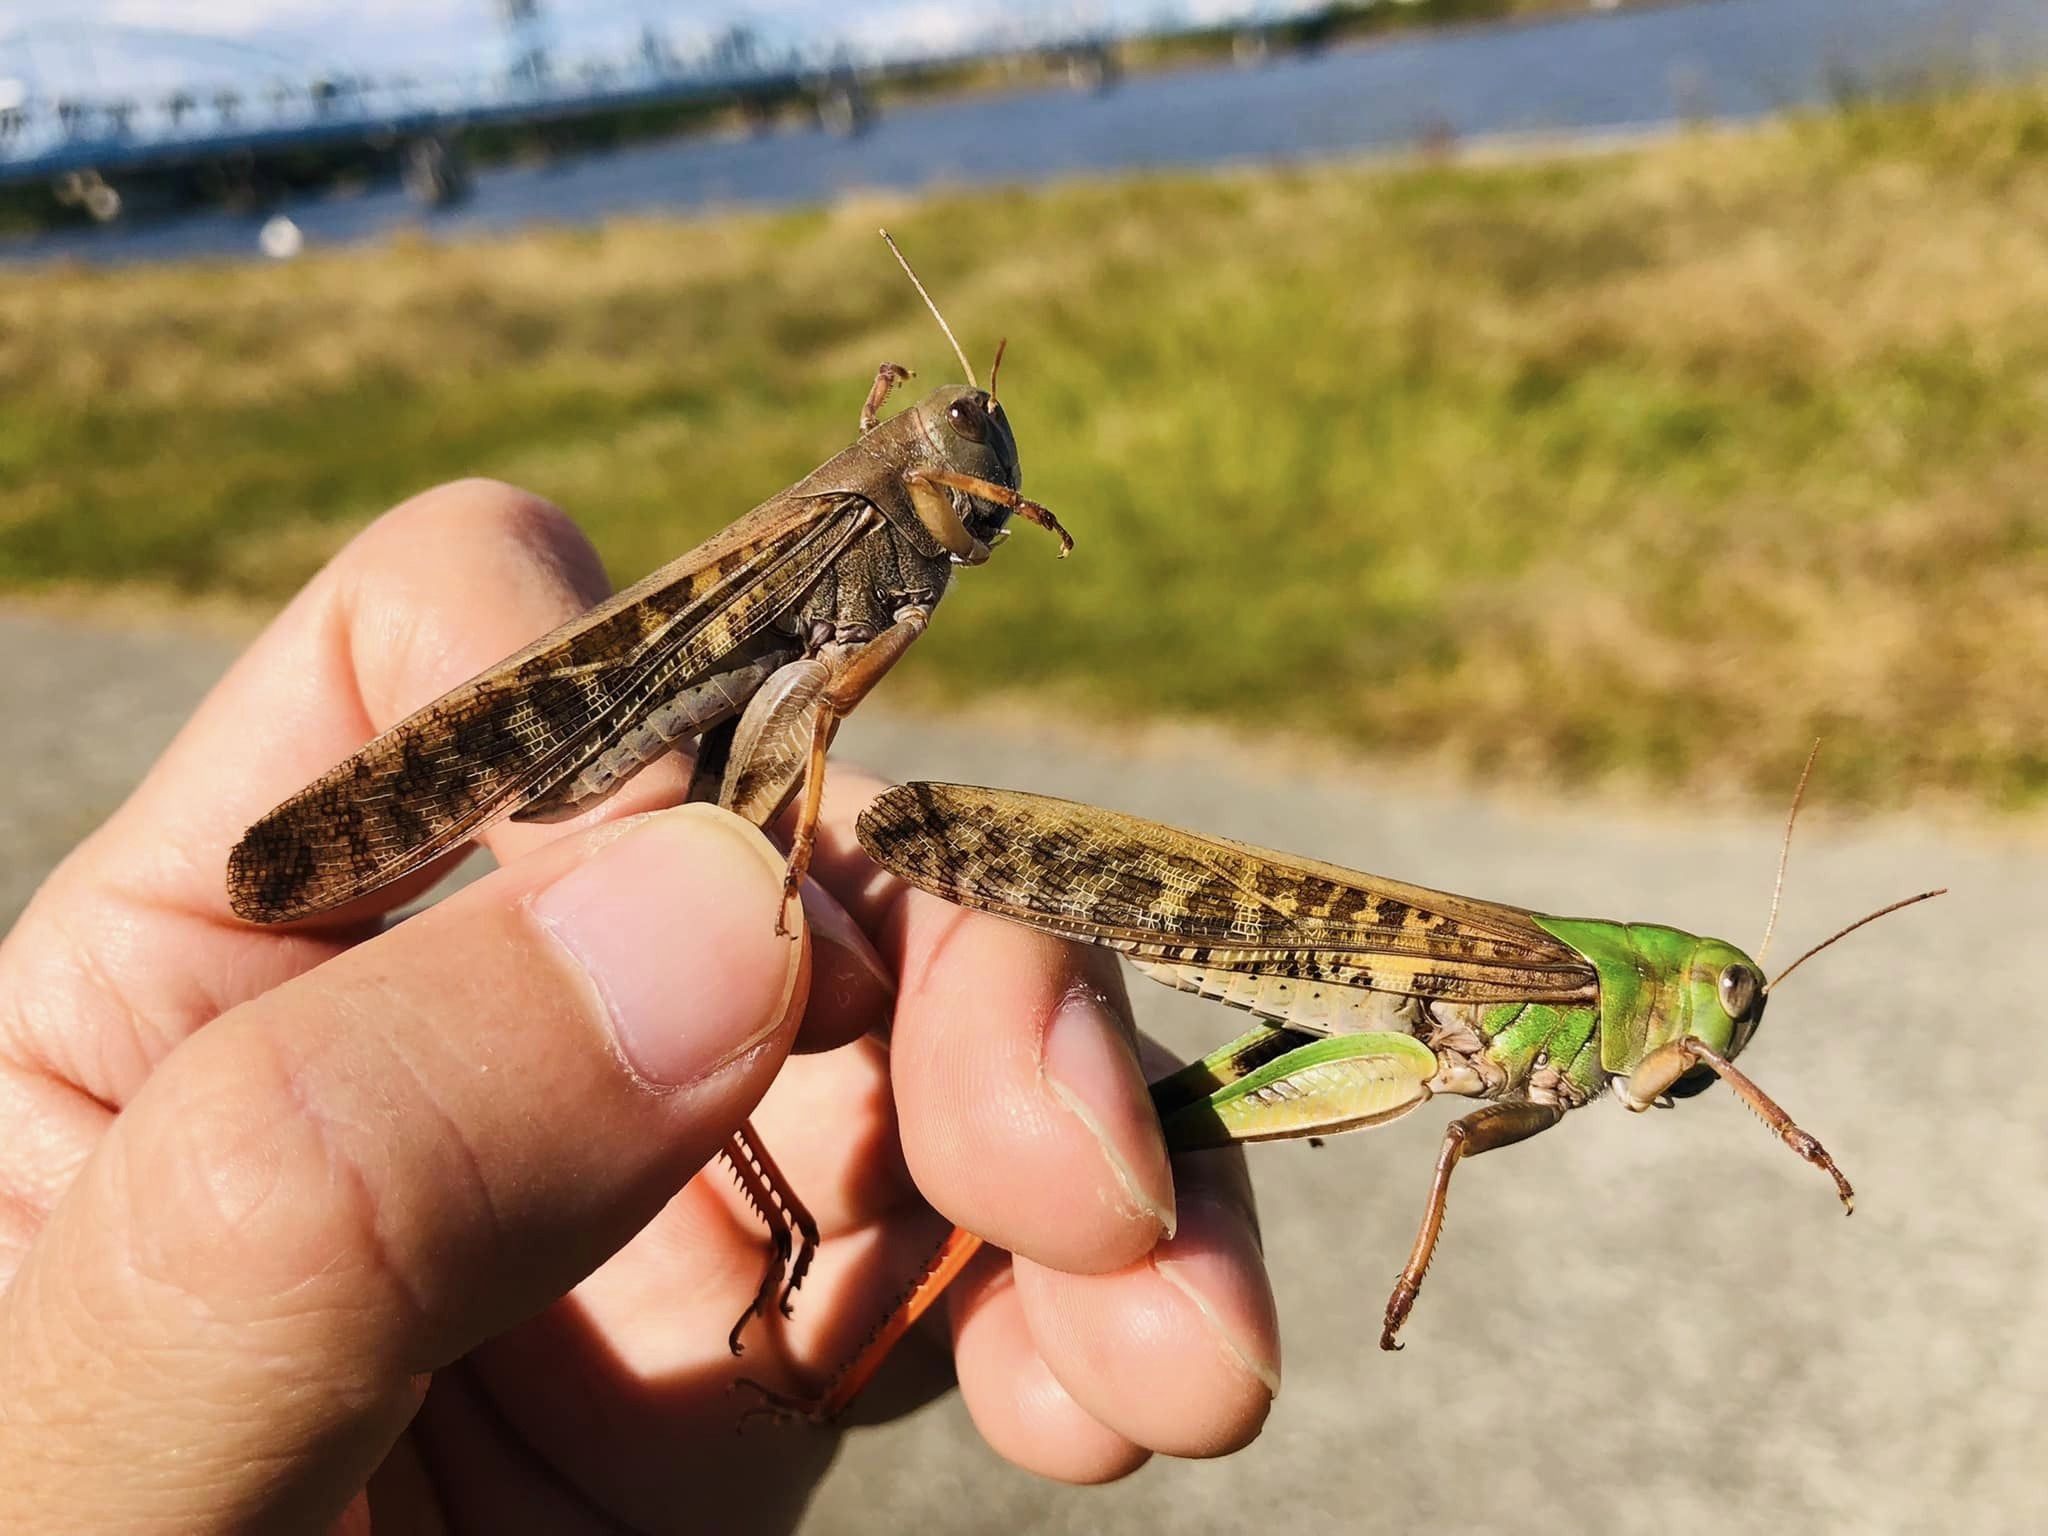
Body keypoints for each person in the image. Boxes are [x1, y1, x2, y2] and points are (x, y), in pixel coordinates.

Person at [0, 480, 1279, 1533]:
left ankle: (779, 1226)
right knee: (756, 895)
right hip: (621, 703)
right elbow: (818, 693)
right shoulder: (854, 517)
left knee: (797, 916)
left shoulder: (893, 519)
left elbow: (823, 689)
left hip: (713, 727)